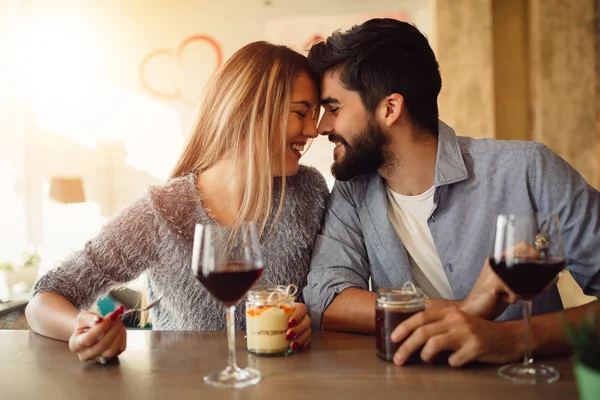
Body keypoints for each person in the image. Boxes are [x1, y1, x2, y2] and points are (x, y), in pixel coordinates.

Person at [303, 18, 600, 367]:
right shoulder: (353, 190)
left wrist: (511, 338)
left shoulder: (528, 170)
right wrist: (468, 310)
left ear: (390, 109)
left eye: (334, 108)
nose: (321, 126)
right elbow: (326, 299)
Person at [26, 41, 329, 362]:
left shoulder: (309, 192)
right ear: (249, 109)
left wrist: (307, 318)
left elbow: (323, 295)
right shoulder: (162, 211)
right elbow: (43, 301)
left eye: (315, 115)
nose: (313, 130)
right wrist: (84, 328)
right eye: (300, 112)